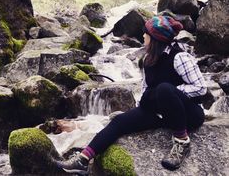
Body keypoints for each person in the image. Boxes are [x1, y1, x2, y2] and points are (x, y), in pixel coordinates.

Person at [56, 15, 207, 174]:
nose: (143, 36)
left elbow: (200, 88)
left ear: (155, 38)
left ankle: (182, 142)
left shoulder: (180, 57)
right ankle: (83, 159)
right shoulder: (148, 59)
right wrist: (139, 111)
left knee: (164, 89)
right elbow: (145, 90)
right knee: (120, 120)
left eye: (145, 33)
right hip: (161, 113)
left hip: (188, 114)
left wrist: (169, 95)